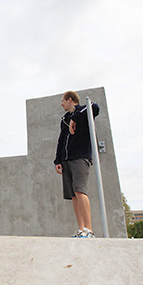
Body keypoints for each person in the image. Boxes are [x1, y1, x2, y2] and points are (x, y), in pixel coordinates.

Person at [54, 90, 100, 239]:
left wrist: (75, 118)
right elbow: (61, 141)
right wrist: (58, 161)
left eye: (63, 100)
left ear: (70, 99)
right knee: (73, 195)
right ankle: (81, 229)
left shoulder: (82, 110)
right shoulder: (64, 119)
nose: (61, 104)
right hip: (66, 159)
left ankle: (89, 230)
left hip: (80, 157)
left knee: (80, 191)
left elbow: (95, 107)